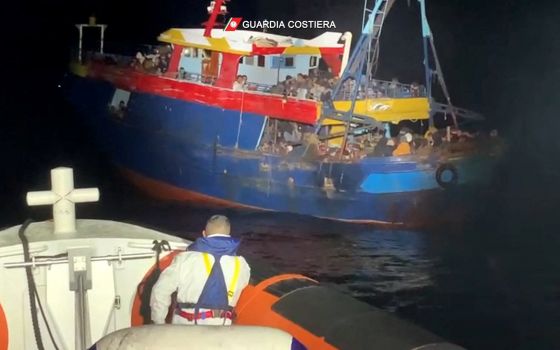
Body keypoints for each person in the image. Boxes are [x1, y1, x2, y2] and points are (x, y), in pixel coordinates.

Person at [150, 215, 251, 326]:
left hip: (186, 328)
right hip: (222, 331)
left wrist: (159, 322)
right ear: (229, 236)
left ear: (204, 234)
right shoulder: (242, 265)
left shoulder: (185, 259)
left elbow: (160, 291)